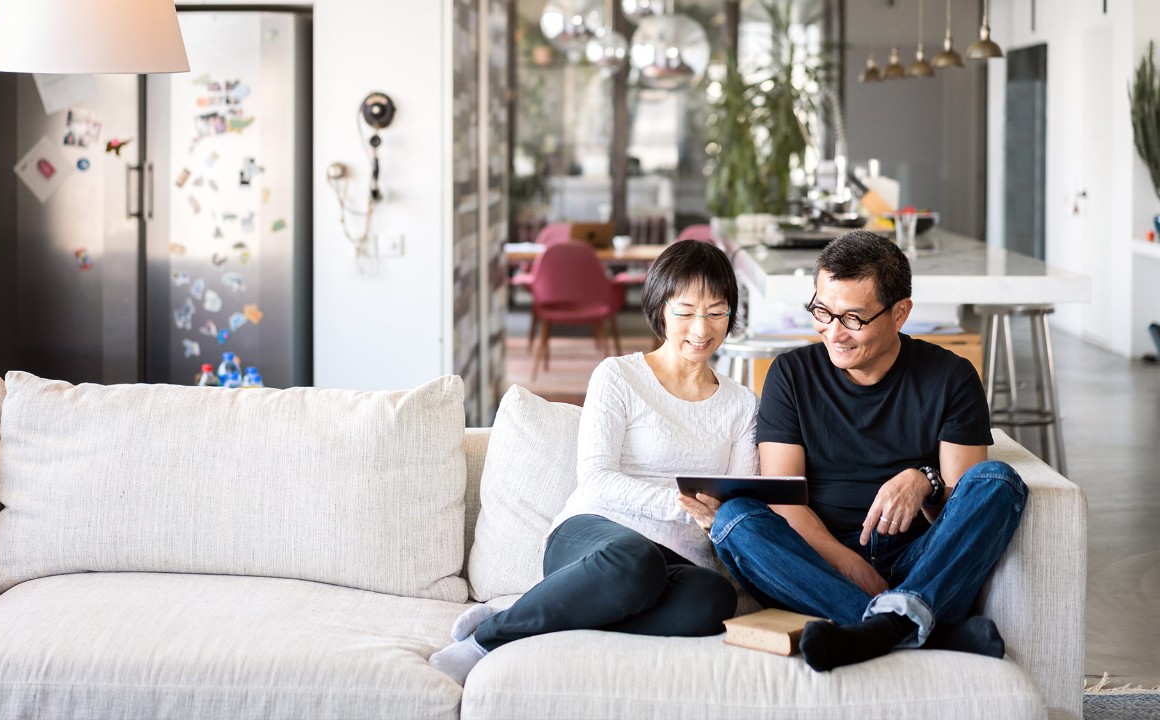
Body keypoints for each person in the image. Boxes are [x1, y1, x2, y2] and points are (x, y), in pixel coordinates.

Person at [680, 230, 1029, 672]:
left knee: (997, 481)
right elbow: (786, 502)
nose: (834, 333)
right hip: (818, 566)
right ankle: (921, 628)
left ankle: (879, 630)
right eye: (822, 312)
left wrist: (926, 479)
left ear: (900, 313)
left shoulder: (951, 377)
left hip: (918, 564)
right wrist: (848, 564)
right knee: (735, 522)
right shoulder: (790, 375)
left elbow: (958, 508)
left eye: (854, 319)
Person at [429, 239, 758, 684]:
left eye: (716, 312)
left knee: (712, 600)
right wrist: (681, 506)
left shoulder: (741, 405)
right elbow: (597, 478)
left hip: (678, 557)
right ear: (661, 308)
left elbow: (738, 496)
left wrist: (724, 516)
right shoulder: (618, 376)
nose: (701, 328)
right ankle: (491, 636)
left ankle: (538, 611)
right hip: (594, 536)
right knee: (636, 561)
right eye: (686, 311)